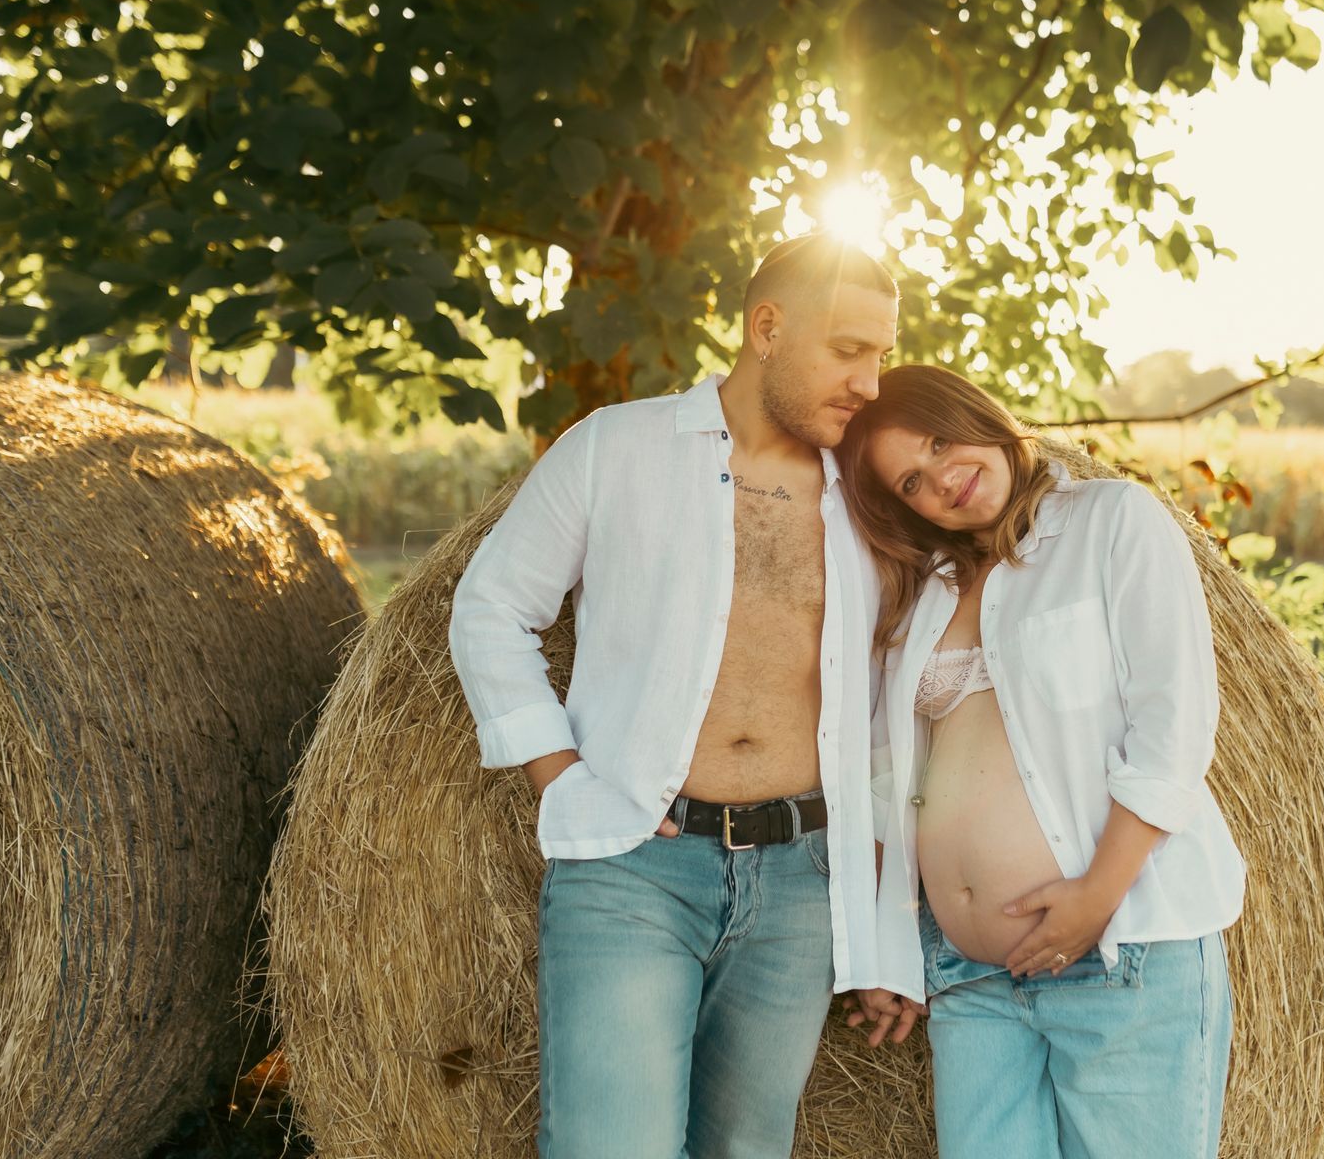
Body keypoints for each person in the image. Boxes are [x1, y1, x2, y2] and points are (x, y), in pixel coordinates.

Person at [447, 234, 916, 1159]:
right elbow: (491, 607)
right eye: (848, 350)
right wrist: (562, 778)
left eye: (882, 356)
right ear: (766, 328)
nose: (870, 383)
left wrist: (885, 913)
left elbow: (904, 698)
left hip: (802, 880)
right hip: (634, 867)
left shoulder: (870, 496)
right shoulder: (615, 448)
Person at [836, 364, 1246, 1159]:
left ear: (976, 415)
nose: (941, 479)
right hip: (968, 976)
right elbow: (888, 780)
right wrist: (888, 944)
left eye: (939, 441)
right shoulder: (926, 591)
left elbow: (1173, 728)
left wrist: (1096, 896)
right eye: (911, 482)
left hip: (1118, 950)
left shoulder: (1112, 520)